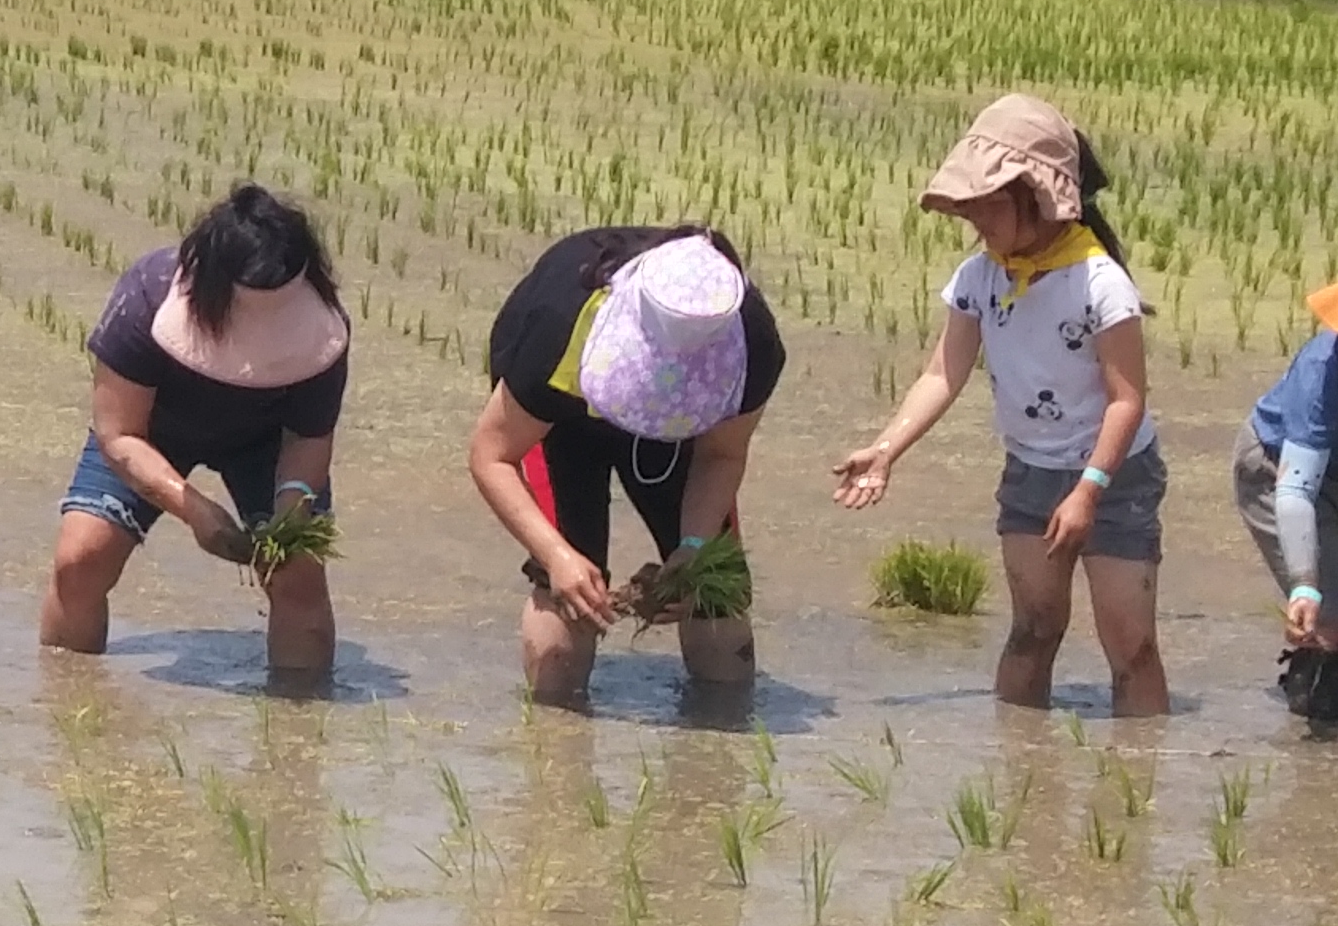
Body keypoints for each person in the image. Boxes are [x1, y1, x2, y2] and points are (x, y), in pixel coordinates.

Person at [834, 94, 1167, 717]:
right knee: (1034, 629)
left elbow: (1127, 401)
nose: (975, 221)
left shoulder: (1101, 284)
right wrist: (884, 451)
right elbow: (942, 373)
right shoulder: (979, 277)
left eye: (987, 204)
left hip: (1115, 476)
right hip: (1031, 474)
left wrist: (1088, 491)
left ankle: (1143, 768)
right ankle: (1020, 761)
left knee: (1132, 645)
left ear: (1036, 195)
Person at [38, 185, 346, 678]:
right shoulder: (146, 296)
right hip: (152, 432)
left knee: (297, 578)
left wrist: (288, 516)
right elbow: (118, 434)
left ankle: (300, 718)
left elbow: (309, 438)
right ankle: (69, 700)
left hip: (267, 441)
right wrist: (195, 511)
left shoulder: (322, 329)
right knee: (80, 561)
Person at [466, 226, 785, 703]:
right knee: (568, 599)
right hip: (562, 426)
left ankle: (722, 734)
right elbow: (491, 455)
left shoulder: (753, 341)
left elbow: (721, 454)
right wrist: (557, 556)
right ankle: (557, 735)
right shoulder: (559, 326)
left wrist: (693, 547)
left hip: (683, 437)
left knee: (713, 593)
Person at [1231, 284, 1338, 722]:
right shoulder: (1322, 370)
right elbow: (1296, 490)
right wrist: (1305, 584)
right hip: (1277, 469)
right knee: (1330, 610)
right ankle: (1315, 692)